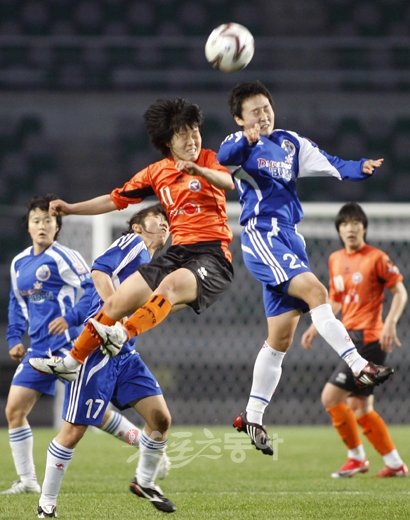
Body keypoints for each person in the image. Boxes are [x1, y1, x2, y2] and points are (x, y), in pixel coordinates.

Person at [216, 80, 393, 456]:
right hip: (263, 234)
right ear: (239, 118)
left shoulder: (289, 143)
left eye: (266, 108)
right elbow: (222, 158)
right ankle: (359, 363)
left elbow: (330, 163)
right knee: (317, 292)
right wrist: (245, 138)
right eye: (254, 112)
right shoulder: (242, 146)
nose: (263, 116)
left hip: (290, 239)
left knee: (279, 340)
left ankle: (252, 415)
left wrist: (359, 167)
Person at [28, 98, 234, 390]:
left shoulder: (209, 159)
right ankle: (72, 362)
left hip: (213, 255)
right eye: (183, 133)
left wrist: (199, 172)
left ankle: (123, 334)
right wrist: (71, 209)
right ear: (167, 141)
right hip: (178, 253)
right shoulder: (156, 173)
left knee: (169, 287)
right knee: (117, 301)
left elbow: (228, 183)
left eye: (194, 131)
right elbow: (114, 199)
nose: (192, 139)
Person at [33, 204, 175, 518]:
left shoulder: (154, 265)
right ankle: (46, 505)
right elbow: (100, 269)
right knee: (74, 431)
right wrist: (113, 310)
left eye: (168, 221)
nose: (164, 224)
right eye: (157, 218)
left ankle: (144, 481)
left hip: (124, 353)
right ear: (137, 226)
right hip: (97, 348)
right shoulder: (131, 243)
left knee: (161, 420)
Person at [301, 202, 408, 478]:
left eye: (356, 223)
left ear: (364, 228)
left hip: (370, 340)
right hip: (351, 337)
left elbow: (400, 292)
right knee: (360, 407)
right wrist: (317, 325)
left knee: (331, 397)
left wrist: (391, 323)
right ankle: (395, 464)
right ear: (339, 229)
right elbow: (336, 298)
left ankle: (356, 458)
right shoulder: (335, 259)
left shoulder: (377, 258)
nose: (351, 228)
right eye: (345, 224)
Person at [2, 194, 93, 495]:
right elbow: (17, 303)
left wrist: (72, 317)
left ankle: (145, 444)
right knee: (14, 410)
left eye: (48, 221)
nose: (42, 225)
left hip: (71, 346)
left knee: (97, 414)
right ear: (28, 226)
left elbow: (95, 289)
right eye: (36, 220)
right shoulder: (19, 263)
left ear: (57, 227)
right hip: (39, 350)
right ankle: (28, 481)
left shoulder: (65, 257)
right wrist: (15, 338)